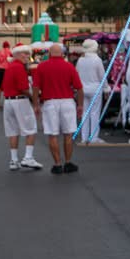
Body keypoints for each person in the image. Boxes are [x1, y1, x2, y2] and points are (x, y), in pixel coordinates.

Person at [32, 43, 83, 174]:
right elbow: (79, 87)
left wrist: (35, 104)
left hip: (50, 102)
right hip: (67, 102)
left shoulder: (42, 66)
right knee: (68, 134)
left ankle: (57, 164)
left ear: (49, 53)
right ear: (62, 54)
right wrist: (80, 105)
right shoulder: (69, 66)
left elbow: (36, 87)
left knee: (52, 134)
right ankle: (68, 162)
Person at [2, 43, 43, 171]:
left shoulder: (10, 67)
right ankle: (28, 158)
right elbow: (23, 88)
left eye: (28, 53)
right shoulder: (19, 67)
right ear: (17, 54)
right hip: (20, 100)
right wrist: (34, 98)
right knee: (30, 129)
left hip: (8, 101)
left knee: (13, 131)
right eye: (25, 53)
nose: (27, 56)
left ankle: (14, 160)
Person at [76, 39, 106, 144]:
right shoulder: (97, 60)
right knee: (95, 113)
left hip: (83, 89)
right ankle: (93, 137)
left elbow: (77, 74)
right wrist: (106, 87)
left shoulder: (80, 60)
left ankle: (84, 137)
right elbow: (102, 76)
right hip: (95, 89)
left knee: (85, 113)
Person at [0, 41, 12, 110]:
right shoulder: (10, 52)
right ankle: (6, 103)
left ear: (3, 46)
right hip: (8, 70)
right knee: (7, 87)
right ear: (8, 46)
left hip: (0, 69)